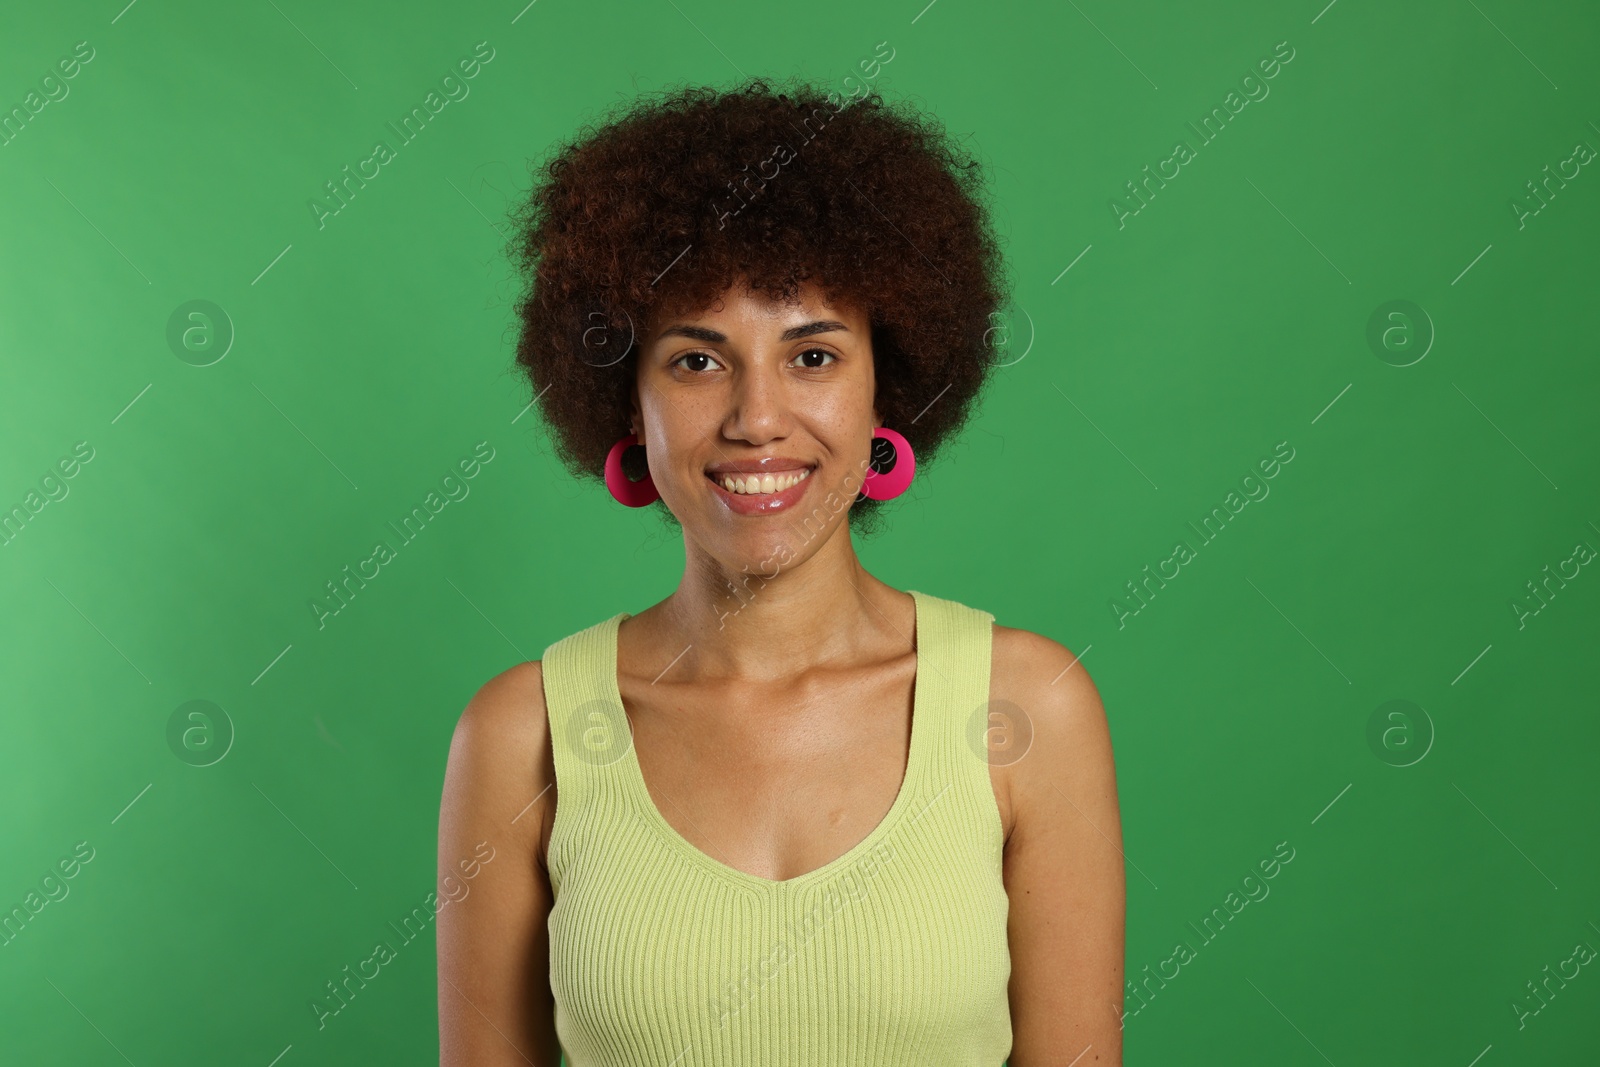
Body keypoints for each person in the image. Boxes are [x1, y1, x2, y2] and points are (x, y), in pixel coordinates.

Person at [437, 76, 1124, 1067]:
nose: (757, 417)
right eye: (696, 360)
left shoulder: (1027, 710)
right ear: (628, 404)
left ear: (885, 382)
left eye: (811, 356)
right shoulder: (521, 734)